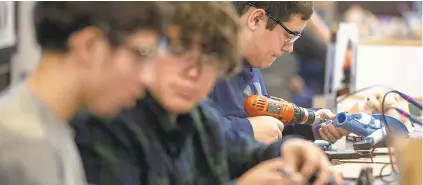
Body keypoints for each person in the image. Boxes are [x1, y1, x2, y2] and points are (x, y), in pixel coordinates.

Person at [72, 2, 343, 185]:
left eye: (210, 62)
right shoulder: (109, 123)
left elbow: (247, 153)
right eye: (179, 52)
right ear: (150, 50)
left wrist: (290, 149)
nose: (194, 73)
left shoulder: (198, 117)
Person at [0, 2, 171, 185]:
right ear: (89, 46)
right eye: (141, 54)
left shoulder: (49, 126)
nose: (148, 78)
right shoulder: (24, 144)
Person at [210, 1, 348, 144]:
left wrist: (310, 123)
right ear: (256, 19)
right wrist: (248, 129)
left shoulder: (250, 64)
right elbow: (195, 135)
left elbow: (267, 127)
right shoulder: (209, 66)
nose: (290, 48)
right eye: (289, 36)